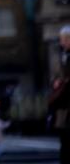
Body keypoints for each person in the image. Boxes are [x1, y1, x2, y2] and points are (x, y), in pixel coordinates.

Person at [48, 25, 70, 163]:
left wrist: (61, 83)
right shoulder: (64, 56)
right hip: (64, 109)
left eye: (64, 39)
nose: (61, 42)